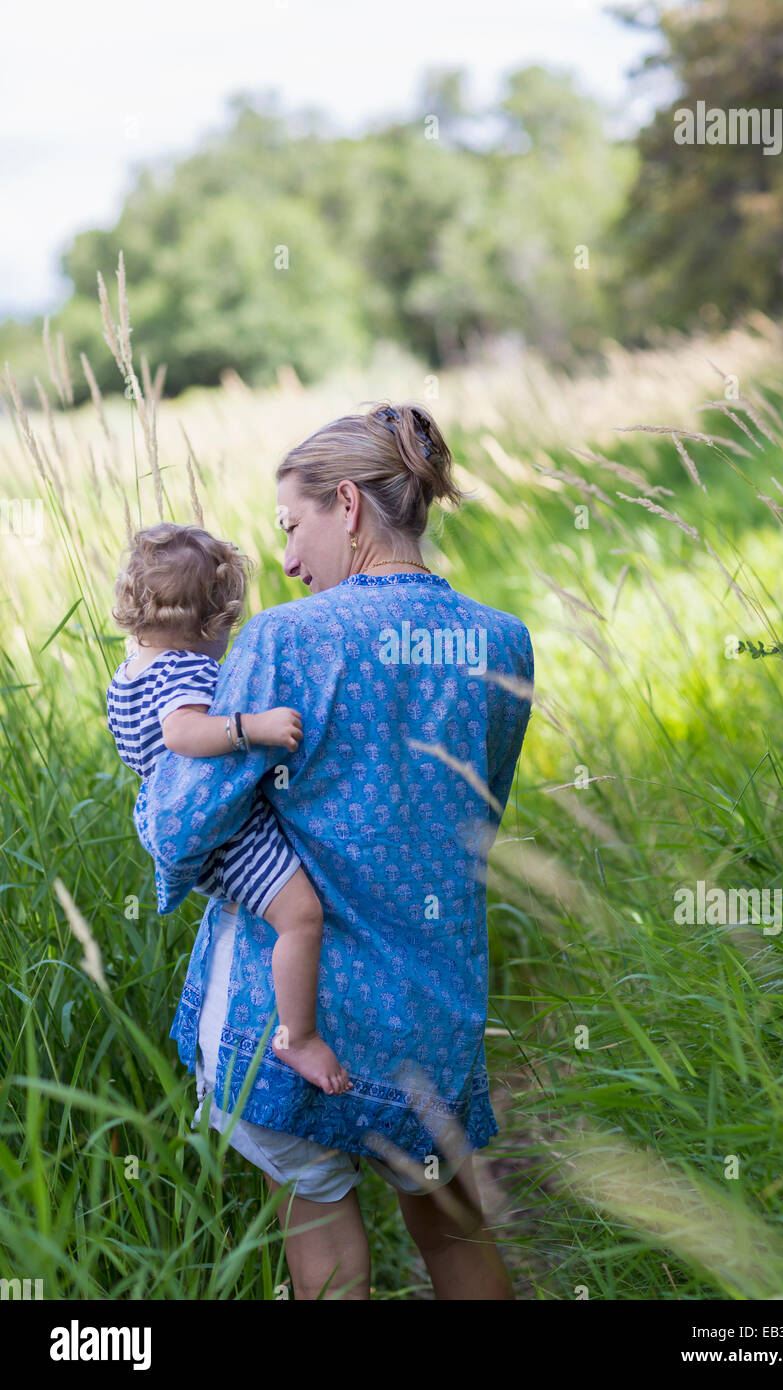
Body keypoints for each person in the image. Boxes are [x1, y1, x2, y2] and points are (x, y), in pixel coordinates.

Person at [142, 400, 534, 1300]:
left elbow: (182, 823)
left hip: (293, 1027)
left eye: (291, 525)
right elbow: (479, 811)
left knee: (324, 1250)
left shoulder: (285, 639)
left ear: (348, 506)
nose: (283, 558)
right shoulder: (502, 641)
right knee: (455, 1236)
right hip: (431, 1014)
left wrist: (154, 771)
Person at [106, 522, 351, 1095]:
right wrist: (251, 727)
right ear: (208, 625)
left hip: (196, 830)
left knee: (282, 915)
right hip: (229, 835)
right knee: (301, 917)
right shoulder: (182, 669)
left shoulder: (131, 671)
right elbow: (182, 733)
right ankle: (298, 1037)